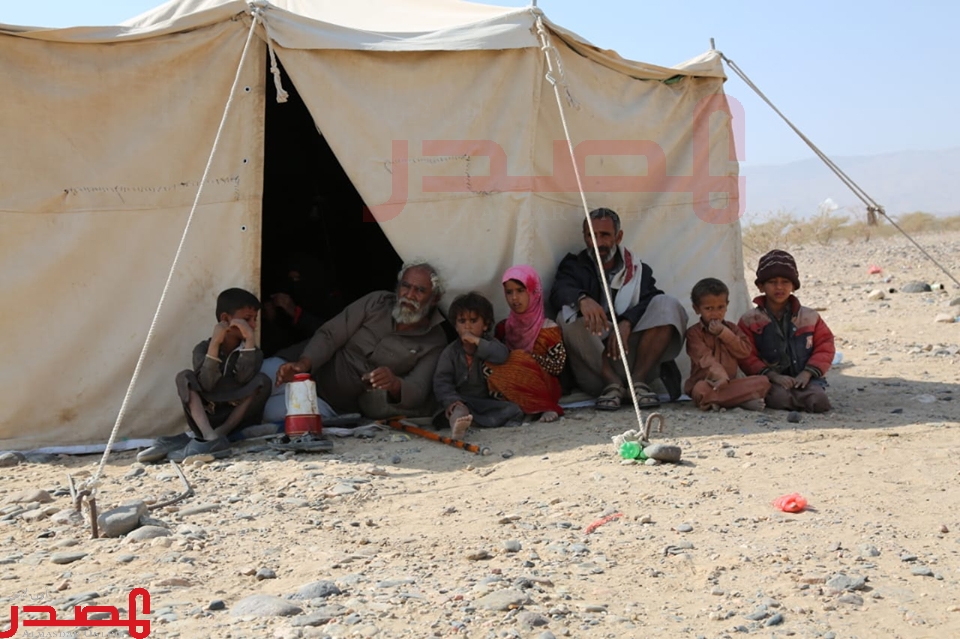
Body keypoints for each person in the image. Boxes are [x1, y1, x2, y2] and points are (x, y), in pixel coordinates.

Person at [549, 207, 687, 411]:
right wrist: (582, 299)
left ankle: (638, 383)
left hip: (632, 357)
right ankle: (611, 383)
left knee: (667, 304)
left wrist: (627, 322)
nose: (598, 242)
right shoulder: (574, 266)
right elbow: (559, 290)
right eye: (591, 236)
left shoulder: (637, 269)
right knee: (567, 315)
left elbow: (651, 299)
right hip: (596, 368)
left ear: (618, 236)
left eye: (604, 235)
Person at [272, 261, 448, 419]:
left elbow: (418, 389)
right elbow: (330, 334)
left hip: (332, 407)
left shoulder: (435, 340)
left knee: (274, 414)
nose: (409, 295)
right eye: (406, 286)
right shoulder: (376, 302)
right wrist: (303, 365)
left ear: (435, 299)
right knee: (264, 381)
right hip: (308, 372)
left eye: (420, 290)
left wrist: (394, 384)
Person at [137, 288, 272, 463]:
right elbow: (207, 383)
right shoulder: (202, 349)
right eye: (247, 319)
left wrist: (250, 341)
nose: (252, 325)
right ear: (225, 319)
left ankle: (218, 435)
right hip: (208, 415)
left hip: (236, 416)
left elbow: (244, 379)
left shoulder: (254, 352)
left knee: (263, 380)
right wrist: (215, 344)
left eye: (255, 319)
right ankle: (209, 435)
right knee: (184, 377)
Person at [738, 249, 835, 413]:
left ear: (794, 286)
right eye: (772, 282)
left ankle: (799, 398)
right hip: (770, 380)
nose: (779, 287)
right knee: (779, 398)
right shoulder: (750, 320)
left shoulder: (810, 317)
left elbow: (825, 346)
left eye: (785, 282)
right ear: (761, 286)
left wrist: (807, 373)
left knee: (819, 401)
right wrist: (773, 376)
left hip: (805, 379)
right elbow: (746, 356)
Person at [433, 293, 523, 439]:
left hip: (485, 403)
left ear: (485, 324)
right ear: (455, 326)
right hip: (461, 400)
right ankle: (458, 427)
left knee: (513, 409)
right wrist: (452, 401)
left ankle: (474, 422)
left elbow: (502, 355)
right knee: (458, 412)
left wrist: (477, 342)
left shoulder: (489, 344)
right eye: (462, 321)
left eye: (473, 321)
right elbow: (442, 381)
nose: (467, 326)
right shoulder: (450, 352)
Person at [486, 265, 566, 422]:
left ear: (534, 291)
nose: (514, 298)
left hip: (543, 385)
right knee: (488, 365)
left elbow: (558, 367)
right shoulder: (503, 327)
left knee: (518, 356)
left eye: (520, 291)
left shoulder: (549, 328)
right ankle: (523, 407)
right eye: (509, 292)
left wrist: (529, 359)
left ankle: (543, 406)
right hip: (513, 383)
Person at [684, 278, 771, 411]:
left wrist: (724, 333)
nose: (715, 314)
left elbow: (744, 351)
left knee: (763, 381)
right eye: (708, 308)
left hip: (731, 383)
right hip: (708, 383)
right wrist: (720, 376)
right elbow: (706, 359)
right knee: (700, 390)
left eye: (720, 307)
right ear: (696, 309)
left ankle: (720, 401)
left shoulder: (732, 329)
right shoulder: (693, 333)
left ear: (727, 305)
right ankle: (739, 401)